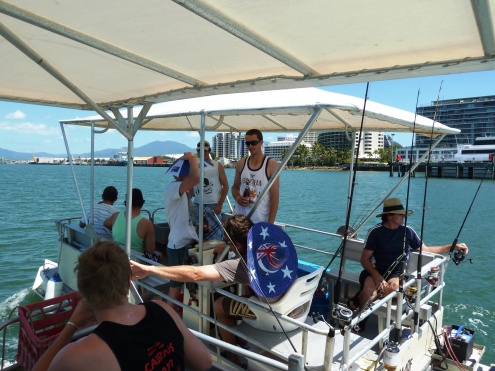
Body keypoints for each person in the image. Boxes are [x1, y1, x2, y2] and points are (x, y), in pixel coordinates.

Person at [130, 214, 298, 367]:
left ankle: (232, 357)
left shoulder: (241, 267)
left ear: (238, 245)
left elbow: (196, 273)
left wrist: (150, 270)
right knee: (241, 294)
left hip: (270, 313)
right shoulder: (277, 248)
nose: (227, 246)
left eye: (228, 243)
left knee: (219, 306)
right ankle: (237, 337)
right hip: (289, 303)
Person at [33, 241, 212, 371]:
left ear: (83, 292)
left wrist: (72, 325)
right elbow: (204, 362)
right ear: (128, 282)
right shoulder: (162, 309)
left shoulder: (78, 355)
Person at [351, 197, 469, 328]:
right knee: (368, 290)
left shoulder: (408, 232)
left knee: (396, 288)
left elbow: (427, 250)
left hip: (396, 276)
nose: (404, 216)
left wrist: (453, 247)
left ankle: (361, 299)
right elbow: (364, 259)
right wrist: (377, 277)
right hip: (374, 272)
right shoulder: (375, 232)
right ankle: (360, 323)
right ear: (389, 216)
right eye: (401, 214)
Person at [164, 152, 200, 311]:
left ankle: (178, 311)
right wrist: (192, 159)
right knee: (175, 286)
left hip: (185, 242)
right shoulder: (174, 188)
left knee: (185, 285)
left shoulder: (183, 191)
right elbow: (196, 179)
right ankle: (168, 315)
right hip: (177, 245)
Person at [232, 129, 279, 224]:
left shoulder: (271, 165)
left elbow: (274, 198)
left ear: (261, 142)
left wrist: (270, 224)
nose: (250, 146)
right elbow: (234, 188)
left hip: (260, 221)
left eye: (253, 143)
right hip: (240, 220)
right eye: (247, 143)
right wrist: (237, 197)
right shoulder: (241, 164)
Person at [104, 188, 159, 262]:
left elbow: (105, 224)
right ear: (142, 203)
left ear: (126, 203)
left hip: (116, 257)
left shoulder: (116, 216)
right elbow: (150, 250)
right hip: (135, 261)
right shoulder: (146, 223)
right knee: (159, 255)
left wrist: (118, 230)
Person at [193, 140, 229, 241]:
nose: (202, 153)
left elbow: (225, 186)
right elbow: (191, 185)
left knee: (216, 237)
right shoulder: (194, 165)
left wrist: (220, 205)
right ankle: (200, 256)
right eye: (199, 151)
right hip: (197, 204)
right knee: (198, 236)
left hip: (213, 205)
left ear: (209, 151)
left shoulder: (217, 165)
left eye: (204, 150)